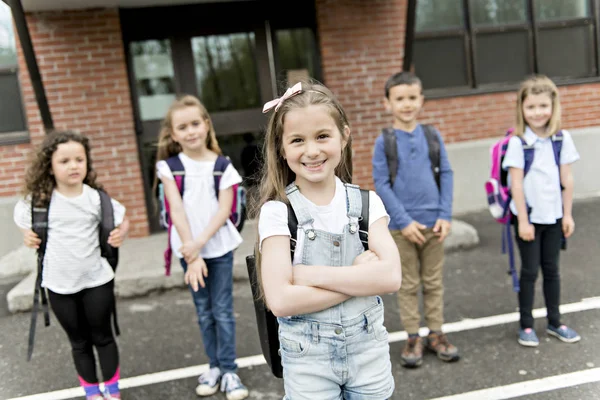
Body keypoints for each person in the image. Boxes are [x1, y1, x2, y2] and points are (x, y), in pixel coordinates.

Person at [256, 80, 401, 399]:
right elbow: (280, 301)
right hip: (308, 361)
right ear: (282, 148)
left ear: (344, 136)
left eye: (322, 136)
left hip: (369, 354)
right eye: (297, 140)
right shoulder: (278, 213)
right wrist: (360, 279)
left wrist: (308, 277)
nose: (311, 151)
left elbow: (391, 277)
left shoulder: (367, 203)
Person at [14, 131, 129, 400]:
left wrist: (120, 233)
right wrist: (25, 234)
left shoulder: (95, 198)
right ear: (50, 167)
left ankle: (112, 393)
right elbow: (21, 218)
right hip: (57, 284)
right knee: (79, 342)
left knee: (103, 337)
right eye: (64, 161)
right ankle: (92, 393)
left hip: (96, 280)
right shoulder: (39, 201)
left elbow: (122, 217)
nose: (74, 165)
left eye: (79, 159)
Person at [154, 95, 248, 400]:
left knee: (222, 309)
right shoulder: (169, 168)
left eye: (196, 123)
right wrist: (191, 253)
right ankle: (214, 367)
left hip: (217, 247)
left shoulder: (223, 166)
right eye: (183, 126)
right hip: (188, 250)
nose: (191, 131)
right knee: (204, 312)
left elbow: (224, 210)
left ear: (206, 125)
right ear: (173, 134)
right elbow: (177, 211)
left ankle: (230, 370)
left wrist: (199, 244)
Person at [372, 71, 457, 368]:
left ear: (420, 100)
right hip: (400, 228)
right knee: (407, 284)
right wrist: (404, 221)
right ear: (387, 104)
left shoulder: (432, 136)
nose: (406, 104)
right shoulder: (384, 142)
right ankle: (412, 337)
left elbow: (446, 173)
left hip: (434, 224)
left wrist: (445, 214)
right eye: (399, 99)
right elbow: (381, 184)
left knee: (433, 282)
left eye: (411, 98)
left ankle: (436, 333)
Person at [502, 75, 581, 347]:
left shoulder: (561, 139)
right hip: (528, 219)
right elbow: (516, 185)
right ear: (522, 109)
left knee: (552, 270)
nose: (538, 112)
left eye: (543, 106)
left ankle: (555, 322)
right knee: (529, 272)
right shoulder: (518, 142)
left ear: (553, 106)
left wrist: (567, 214)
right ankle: (526, 325)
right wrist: (523, 220)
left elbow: (567, 180)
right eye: (531, 107)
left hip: (555, 217)